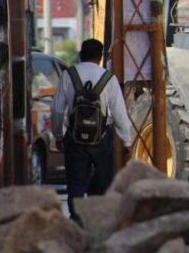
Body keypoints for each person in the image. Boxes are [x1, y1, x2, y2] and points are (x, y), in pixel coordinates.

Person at [51, 39, 133, 221]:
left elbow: (57, 109)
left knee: (77, 182)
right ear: (100, 56)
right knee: (103, 182)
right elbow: (119, 113)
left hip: (74, 139)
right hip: (102, 139)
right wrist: (126, 141)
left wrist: (59, 135)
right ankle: (99, 219)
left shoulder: (68, 75)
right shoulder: (108, 78)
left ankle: (78, 220)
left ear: (81, 55)